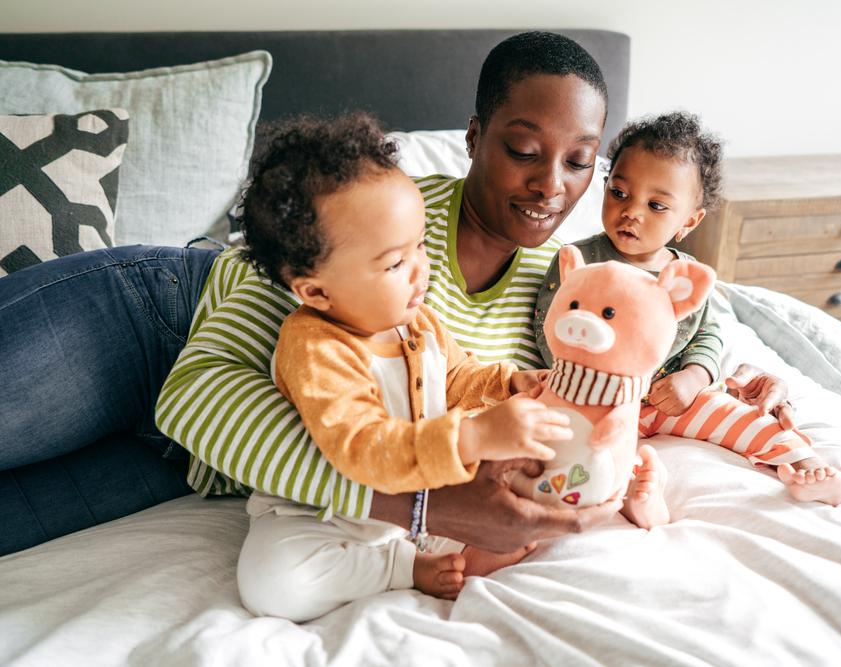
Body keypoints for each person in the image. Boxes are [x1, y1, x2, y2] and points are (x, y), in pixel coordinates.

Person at [0, 31, 793, 558]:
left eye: (581, 161)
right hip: (151, 322)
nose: (552, 185)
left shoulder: (564, 291)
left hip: (192, 469)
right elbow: (194, 397)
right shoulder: (376, 210)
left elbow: (650, 336)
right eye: (523, 149)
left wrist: (729, 382)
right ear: (476, 136)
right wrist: (420, 509)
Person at [235, 113, 581, 618]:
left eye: (420, 244)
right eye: (395, 263)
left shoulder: (417, 322)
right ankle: (402, 569)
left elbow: (460, 377)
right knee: (272, 581)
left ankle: (446, 550)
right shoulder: (315, 345)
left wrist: (512, 382)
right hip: (330, 516)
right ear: (316, 291)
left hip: (421, 501)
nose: (422, 268)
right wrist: (473, 436)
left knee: (519, 493)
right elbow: (362, 446)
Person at [534, 111, 841, 510]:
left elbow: (708, 333)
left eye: (656, 205)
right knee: (582, 445)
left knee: (742, 417)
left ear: (689, 221)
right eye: (619, 193)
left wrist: (693, 377)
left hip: (671, 400)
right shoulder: (581, 260)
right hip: (595, 399)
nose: (632, 211)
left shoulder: (683, 276)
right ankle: (633, 491)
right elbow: (552, 324)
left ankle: (807, 465)